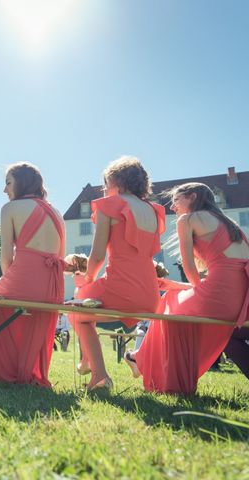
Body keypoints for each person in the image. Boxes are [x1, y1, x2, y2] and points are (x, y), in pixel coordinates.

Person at [125, 183, 249, 394]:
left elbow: (190, 269)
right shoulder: (230, 225)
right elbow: (220, 280)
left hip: (220, 298)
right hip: (241, 300)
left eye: (176, 200)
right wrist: (176, 285)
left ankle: (141, 359)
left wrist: (181, 287)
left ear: (192, 197)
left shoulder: (188, 220)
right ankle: (139, 358)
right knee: (174, 298)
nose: (173, 207)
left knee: (168, 304)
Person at [67, 157, 165, 390]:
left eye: (105, 183)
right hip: (150, 294)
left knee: (76, 311)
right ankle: (86, 363)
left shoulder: (109, 205)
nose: (104, 188)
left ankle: (99, 375)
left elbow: (98, 254)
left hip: (122, 286)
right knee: (82, 307)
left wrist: (86, 277)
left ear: (117, 181)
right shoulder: (154, 211)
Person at [0, 162, 65, 386]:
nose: (5, 190)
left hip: (25, 280)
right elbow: (61, 254)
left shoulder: (10, 209)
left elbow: (5, 258)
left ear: (22, 182)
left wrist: (7, 282)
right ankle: (27, 370)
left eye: (8, 183)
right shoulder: (57, 213)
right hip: (52, 286)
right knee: (20, 307)